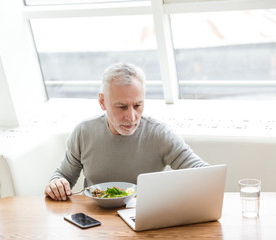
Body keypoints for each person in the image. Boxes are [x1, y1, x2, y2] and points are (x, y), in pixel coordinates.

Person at [44, 63, 208, 201]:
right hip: (96, 222)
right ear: (102, 102)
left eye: (137, 105)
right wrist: (57, 183)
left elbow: (203, 172)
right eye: (122, 107)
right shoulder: (83, 132)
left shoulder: (159, 134)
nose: (131, 117)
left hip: (145, 218)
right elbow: (63, 176)